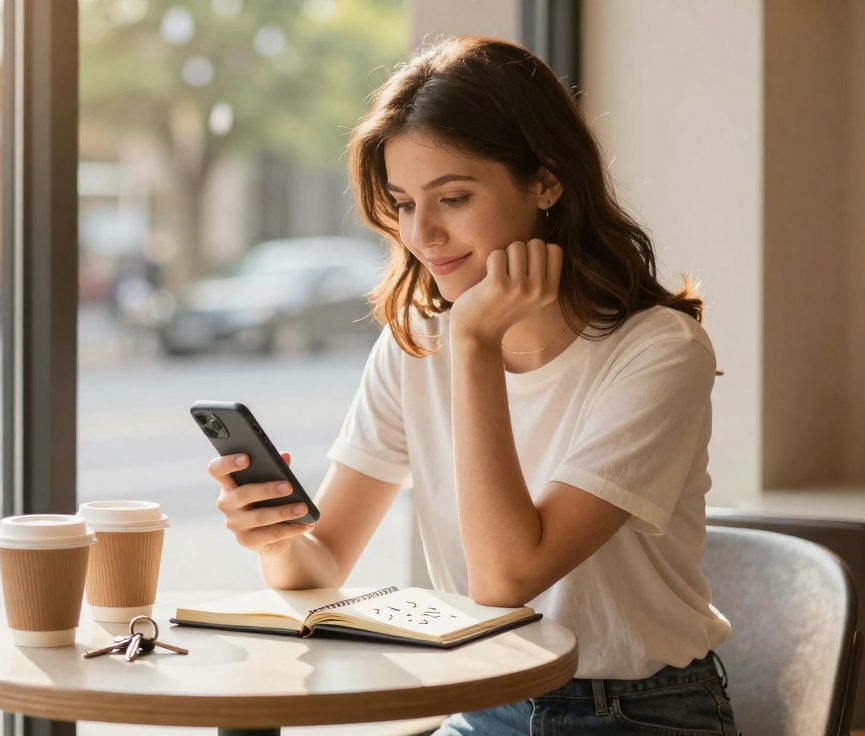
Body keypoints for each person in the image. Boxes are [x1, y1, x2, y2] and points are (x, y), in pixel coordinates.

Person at [206, 36, 738, 735]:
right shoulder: (417, 345)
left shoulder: (660, 353)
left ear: (546, 183)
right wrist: (276, 539)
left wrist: (476, 344)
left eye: (452, 197)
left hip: (634, 713)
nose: (423, 234)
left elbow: (506, 579)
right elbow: (324, 564)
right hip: (481, 698)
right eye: (402, 203)